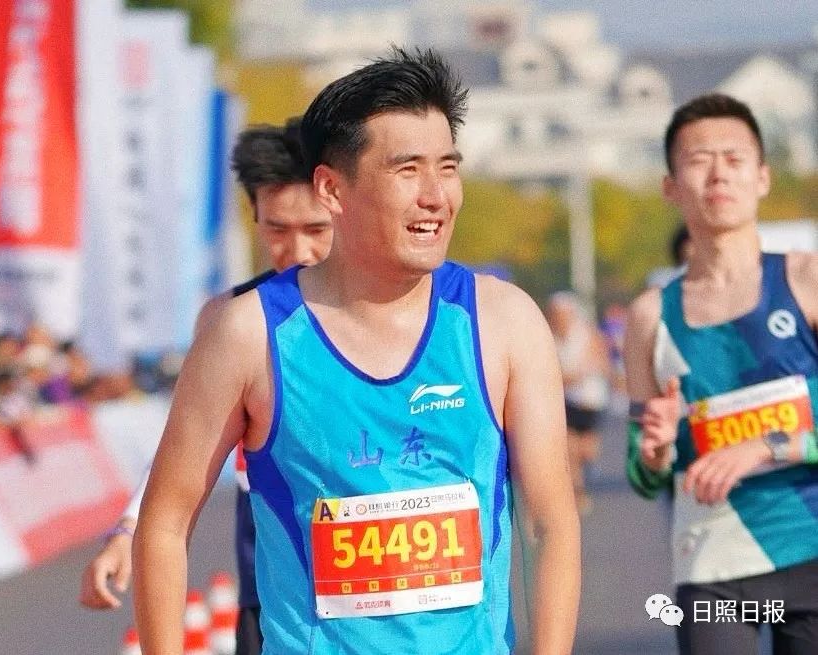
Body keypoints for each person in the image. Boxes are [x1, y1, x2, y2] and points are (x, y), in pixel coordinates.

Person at [133, 47, 580, 655]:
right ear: (332, 189)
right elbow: (164, 522)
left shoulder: (504, 322)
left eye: (447, 168)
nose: (436, 195)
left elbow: (550, 523)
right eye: (407, 170)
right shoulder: (249, 334)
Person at [78, 117, 333, 655]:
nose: (297, 251)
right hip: (273, 600)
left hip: (388, 592)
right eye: (278, 231)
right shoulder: (230, 319)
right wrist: (129, 530)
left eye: (316, 230)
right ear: (255, 217)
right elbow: (186, 446)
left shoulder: (394, 309)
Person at [624, 93, 818, 654]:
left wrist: (765, 446)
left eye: (734, 159)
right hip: (712, 562)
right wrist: (655, 451)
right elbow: (644, 477)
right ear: (670, 185)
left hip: (810, 549)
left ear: (762, 177)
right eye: (699, 159)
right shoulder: (649, 317)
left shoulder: (806, 282)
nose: (718, 174)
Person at [546, 291, 610, 515]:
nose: (559, 318)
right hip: (565, 401)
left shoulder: (586, 334)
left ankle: (585, 470)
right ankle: (578, 492)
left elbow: (601, 360)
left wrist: (587, 371)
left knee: (587, 452)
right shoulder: (549, 337)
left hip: (590, 400)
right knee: (570, 452)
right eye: (555, 314)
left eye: (563, 314)